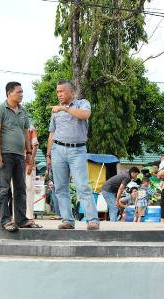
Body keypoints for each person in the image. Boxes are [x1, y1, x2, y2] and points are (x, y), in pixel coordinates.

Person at [46, 80, 100, 230]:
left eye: (62, 91)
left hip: (77, 151)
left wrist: (64, 109)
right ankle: (68, 220)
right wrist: (48, 154)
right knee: (60, 187)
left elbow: (85, 115)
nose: (59, 94)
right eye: (57, 92)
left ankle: (92, 220)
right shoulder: (55, 110)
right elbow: (52, 133)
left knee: (82, 185)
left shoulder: (82, 104)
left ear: (71, 92)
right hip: (58, 150)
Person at [0, 81, 42, 232]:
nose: (21, 94)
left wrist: (28, 153)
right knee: (3, 189)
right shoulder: (0, 110)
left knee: (20, 188)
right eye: (18, 92)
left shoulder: (23, 111)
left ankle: (21, 219)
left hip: (19, 155)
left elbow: (26, 133)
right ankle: (5, 220)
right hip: (5, 155)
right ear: (9, 93)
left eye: (22, 92)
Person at [25, 124, 39, 221]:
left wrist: (31, 163)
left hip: (27, 163)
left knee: (29, 189)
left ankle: (29, 216)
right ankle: (16, 216)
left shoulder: (31, 128)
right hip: (15, 162)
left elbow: (35, 145)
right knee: (15, 191)